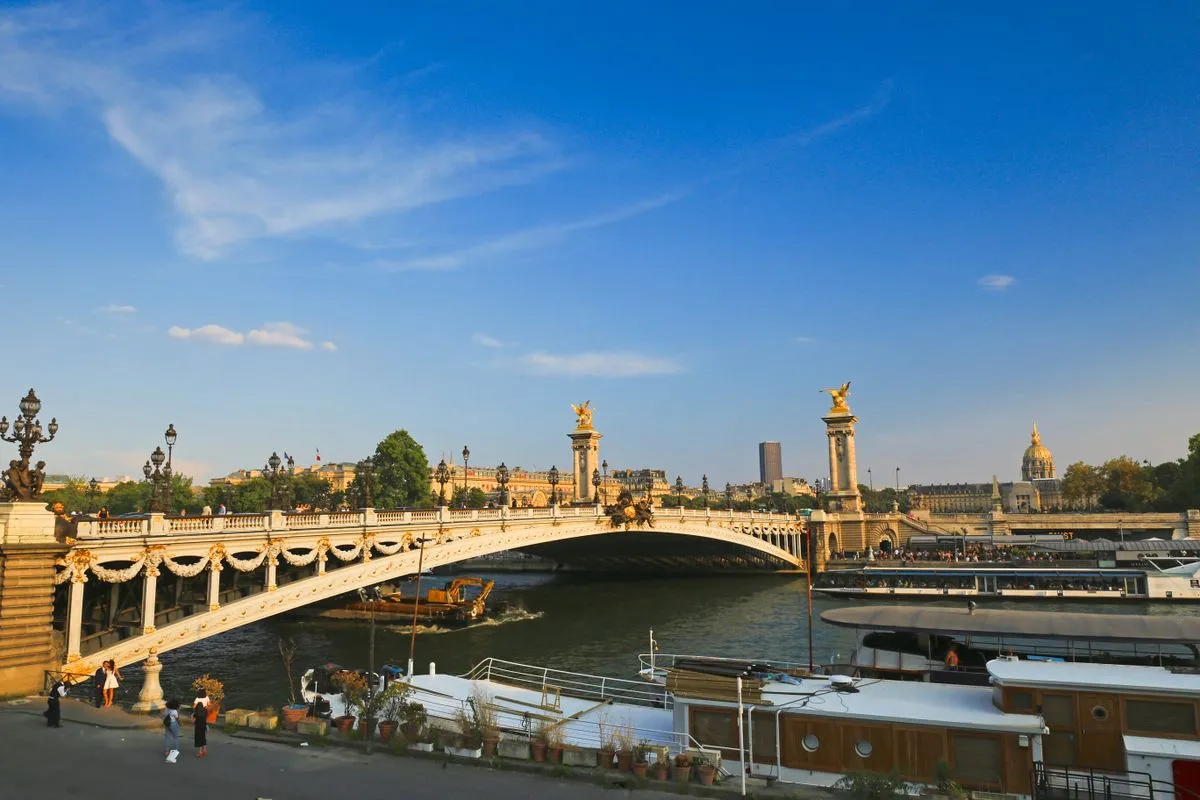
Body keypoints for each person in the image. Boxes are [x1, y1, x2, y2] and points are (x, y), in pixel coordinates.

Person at [192, 690, 209, 758]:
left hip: (198, 718)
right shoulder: (207, 697)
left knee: (198, 735)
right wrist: (205, 707)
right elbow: (209, 704)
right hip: (204, 716)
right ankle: (204, 749)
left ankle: (200, 751)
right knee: (203, 734)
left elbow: (194, 707)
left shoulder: (197, 699)